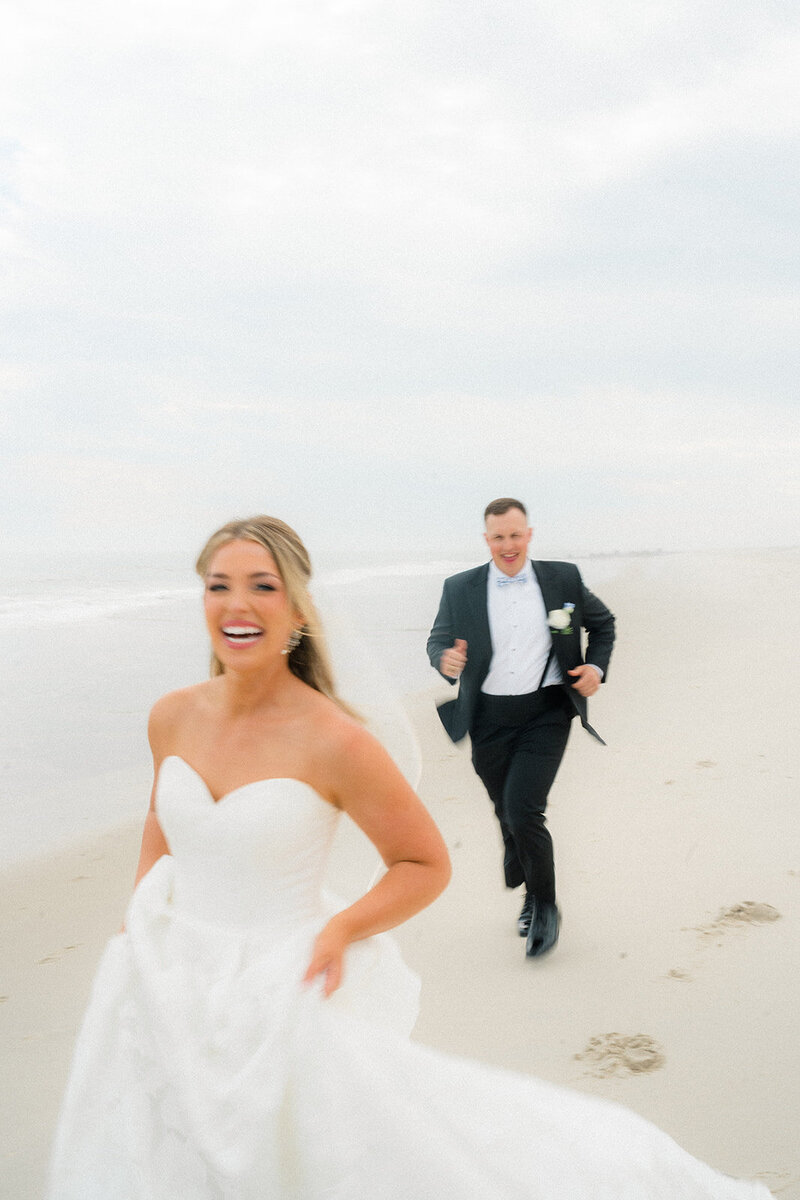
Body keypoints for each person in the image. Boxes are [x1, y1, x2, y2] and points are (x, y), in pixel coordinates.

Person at [48, 515, 770, 1199]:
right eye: (219, 584)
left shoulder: (334, 738)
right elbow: (160, 818)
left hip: (276, 989)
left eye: (263, 585)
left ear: (298, 610)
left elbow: (424, 863)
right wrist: (137, 918)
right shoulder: (170, 714)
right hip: (162, 977)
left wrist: (338, 931)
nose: (238, 603)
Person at [427, 497, 615, 958]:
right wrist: (444, 660)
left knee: (523, 808)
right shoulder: (460, 587)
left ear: (529, 534)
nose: (508, 545)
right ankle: (530, 888)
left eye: (516, 535)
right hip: (487, 717)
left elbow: (603, 624)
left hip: (546, 713)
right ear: (486, 540)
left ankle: (546, 908)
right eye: (498, 537)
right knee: (504, 810)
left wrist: (595, 668)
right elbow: (438, 639)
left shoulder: (563, 578)